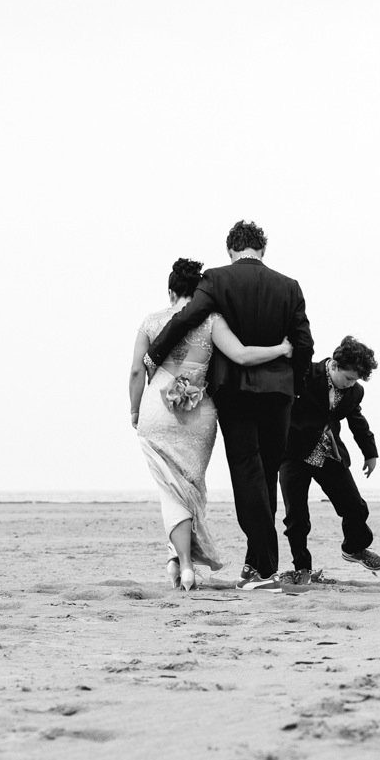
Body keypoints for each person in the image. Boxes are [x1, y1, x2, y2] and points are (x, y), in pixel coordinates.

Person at [146, 221, 313, 590]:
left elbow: (187, 317)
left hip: (236, 393)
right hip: (279, 394)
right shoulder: (289, 286)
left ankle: (266, 567)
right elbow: (304, 344)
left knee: (247, 475)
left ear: (231, 249)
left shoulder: (218, 280)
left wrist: (154, 356)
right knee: (266, 476)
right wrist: (294, 386)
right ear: (262, 249)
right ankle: (256, 564)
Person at [279, 335, 380, 583]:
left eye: (355, 380)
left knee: (356, 507)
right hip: (292, 454)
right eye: (348, 378)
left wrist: (370, 452)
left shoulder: (354, 391)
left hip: (327, 454)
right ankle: (302, 568)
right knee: (297, 518)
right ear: (334, 365)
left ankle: (354, 547)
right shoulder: (304, 373)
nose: (350, 384)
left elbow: (356, 420)